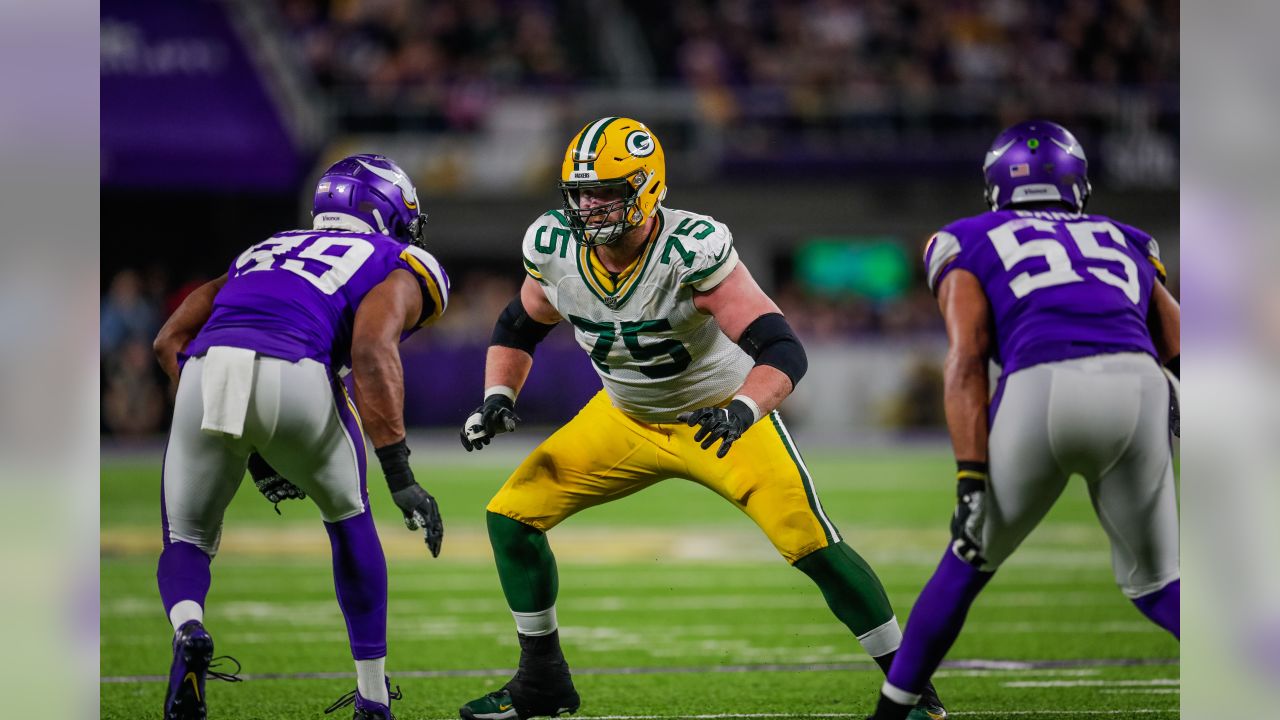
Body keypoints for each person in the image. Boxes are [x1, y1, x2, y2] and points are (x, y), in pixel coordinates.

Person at [456, 117, 946, 720]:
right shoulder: (555, 248)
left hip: (718, 419)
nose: (592, 206)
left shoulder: (690, 249)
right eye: (583, 192)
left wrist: (742, 408)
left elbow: (784, 350)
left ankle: (913, 693)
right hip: (624, 417)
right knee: (510, 517)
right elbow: (519, 323)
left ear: (649, 188)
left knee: (812, 544)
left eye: (608, 192)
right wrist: (498, 396)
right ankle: (542, 683)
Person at [869, 120, 1180, 719]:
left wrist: (969, 476)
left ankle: (891, 715)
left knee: (968, 559)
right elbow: (1175, 338)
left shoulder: (964, 238)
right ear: (1078, 185)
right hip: (1139, 386)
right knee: (1159, 583)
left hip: (1042, 385)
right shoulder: (1127, 237)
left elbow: (964, 360)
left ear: (995, 186)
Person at [151, 154, 450, 720]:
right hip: (296, 367)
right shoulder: (398, 257)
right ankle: (373, 698)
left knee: (186, 538)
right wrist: (401, 475)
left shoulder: (264, 247)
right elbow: (369, 349)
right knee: (348, 515)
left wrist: (234, 424)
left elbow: (170, 340)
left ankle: (188, 628)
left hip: (206, 368)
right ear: (386, 210)